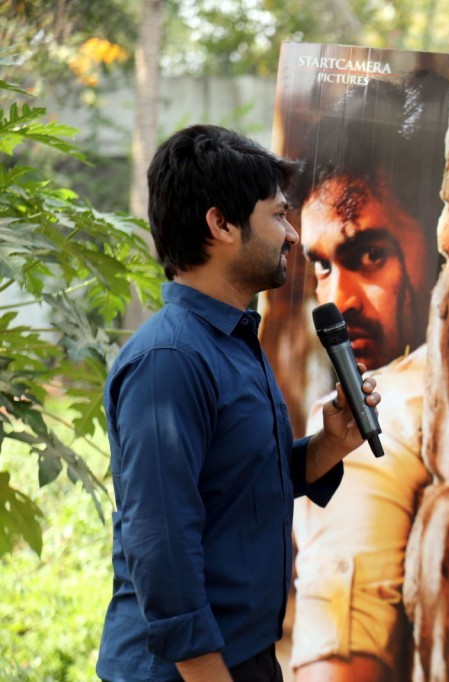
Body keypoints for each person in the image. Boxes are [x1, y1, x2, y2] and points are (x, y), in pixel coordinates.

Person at [97, 124, 379, 682]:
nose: (292, 235)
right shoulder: (169, 361)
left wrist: (331, 444)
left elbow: (241, 485)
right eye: (278, 215)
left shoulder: (231, 341)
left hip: (243, 653)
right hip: (188, 669)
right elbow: (161, 541)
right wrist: (207, 670)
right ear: (220, 224)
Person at [286, 74, 449, 682]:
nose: (338, 301)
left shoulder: (378, 421)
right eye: (322, 267)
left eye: (370, 255)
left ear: (442, 237)